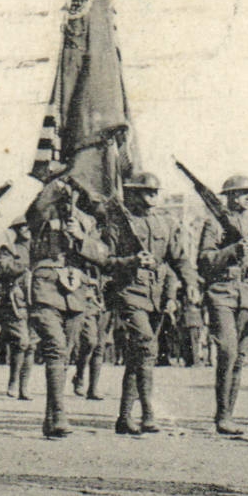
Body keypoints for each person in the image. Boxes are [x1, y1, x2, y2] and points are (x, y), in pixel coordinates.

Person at [103, 171, 197, 435]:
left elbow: (179, 258)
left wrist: (190, 283)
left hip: (155, 295)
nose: (154, 196)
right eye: (147, 192)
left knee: (138, 356)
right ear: (131, 193)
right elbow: (105, 261)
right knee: (146, 346)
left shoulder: (165, 223)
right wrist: (131, 261)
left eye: (155, 192)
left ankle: (124, 417)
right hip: (129, 292)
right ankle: (147, 413)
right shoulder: (118, 225)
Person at [25, 171, 110, 439]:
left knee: (66, 353)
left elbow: (103, 254)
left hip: (76, 290)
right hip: (46, 286)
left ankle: (51, 419)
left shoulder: (88, 221)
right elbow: (35, 209)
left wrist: (81, 238)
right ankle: (60, 414)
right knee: (56, 348)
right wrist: (59, 176)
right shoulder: (42, 215)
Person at [195, 174, 248, 435]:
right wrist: (232, 251)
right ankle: (221, 415)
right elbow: (205, 261)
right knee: (228, 351)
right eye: (242, 193)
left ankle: (228, 415)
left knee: (239, 356)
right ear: (229, 197)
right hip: (222, 293)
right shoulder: (214, 224)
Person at [0, 218, 33, 399]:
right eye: (21, 227)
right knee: (21, 342)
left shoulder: (39, 247)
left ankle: (24, 387)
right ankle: (13, 381)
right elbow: (4, 267)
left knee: (31, 344)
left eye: (28, 226)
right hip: (16, 300)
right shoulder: (9, 249)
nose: (26, 230)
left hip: (37, 297)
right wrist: (24, 267)